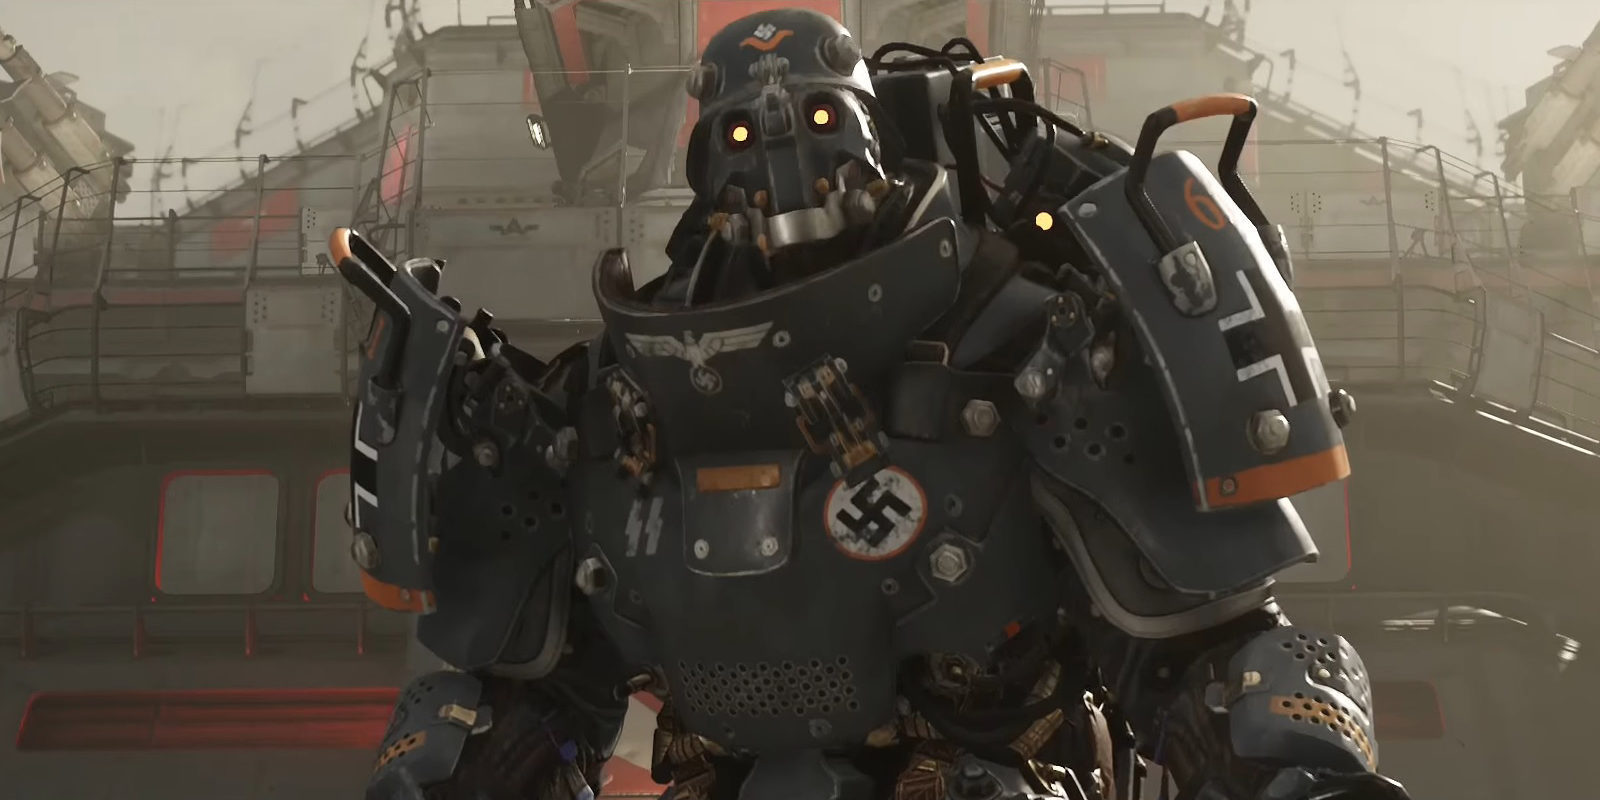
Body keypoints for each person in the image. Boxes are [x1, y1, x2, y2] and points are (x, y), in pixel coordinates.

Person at [339, 9, 1410, 800]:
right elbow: (531, 697)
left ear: (867, 131)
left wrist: (1296, 770)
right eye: (744, 138)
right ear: (706, 161)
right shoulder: (627, 391)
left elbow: (1204, 657)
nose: (784, 153)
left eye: (816, 117)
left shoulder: (1012, 335)